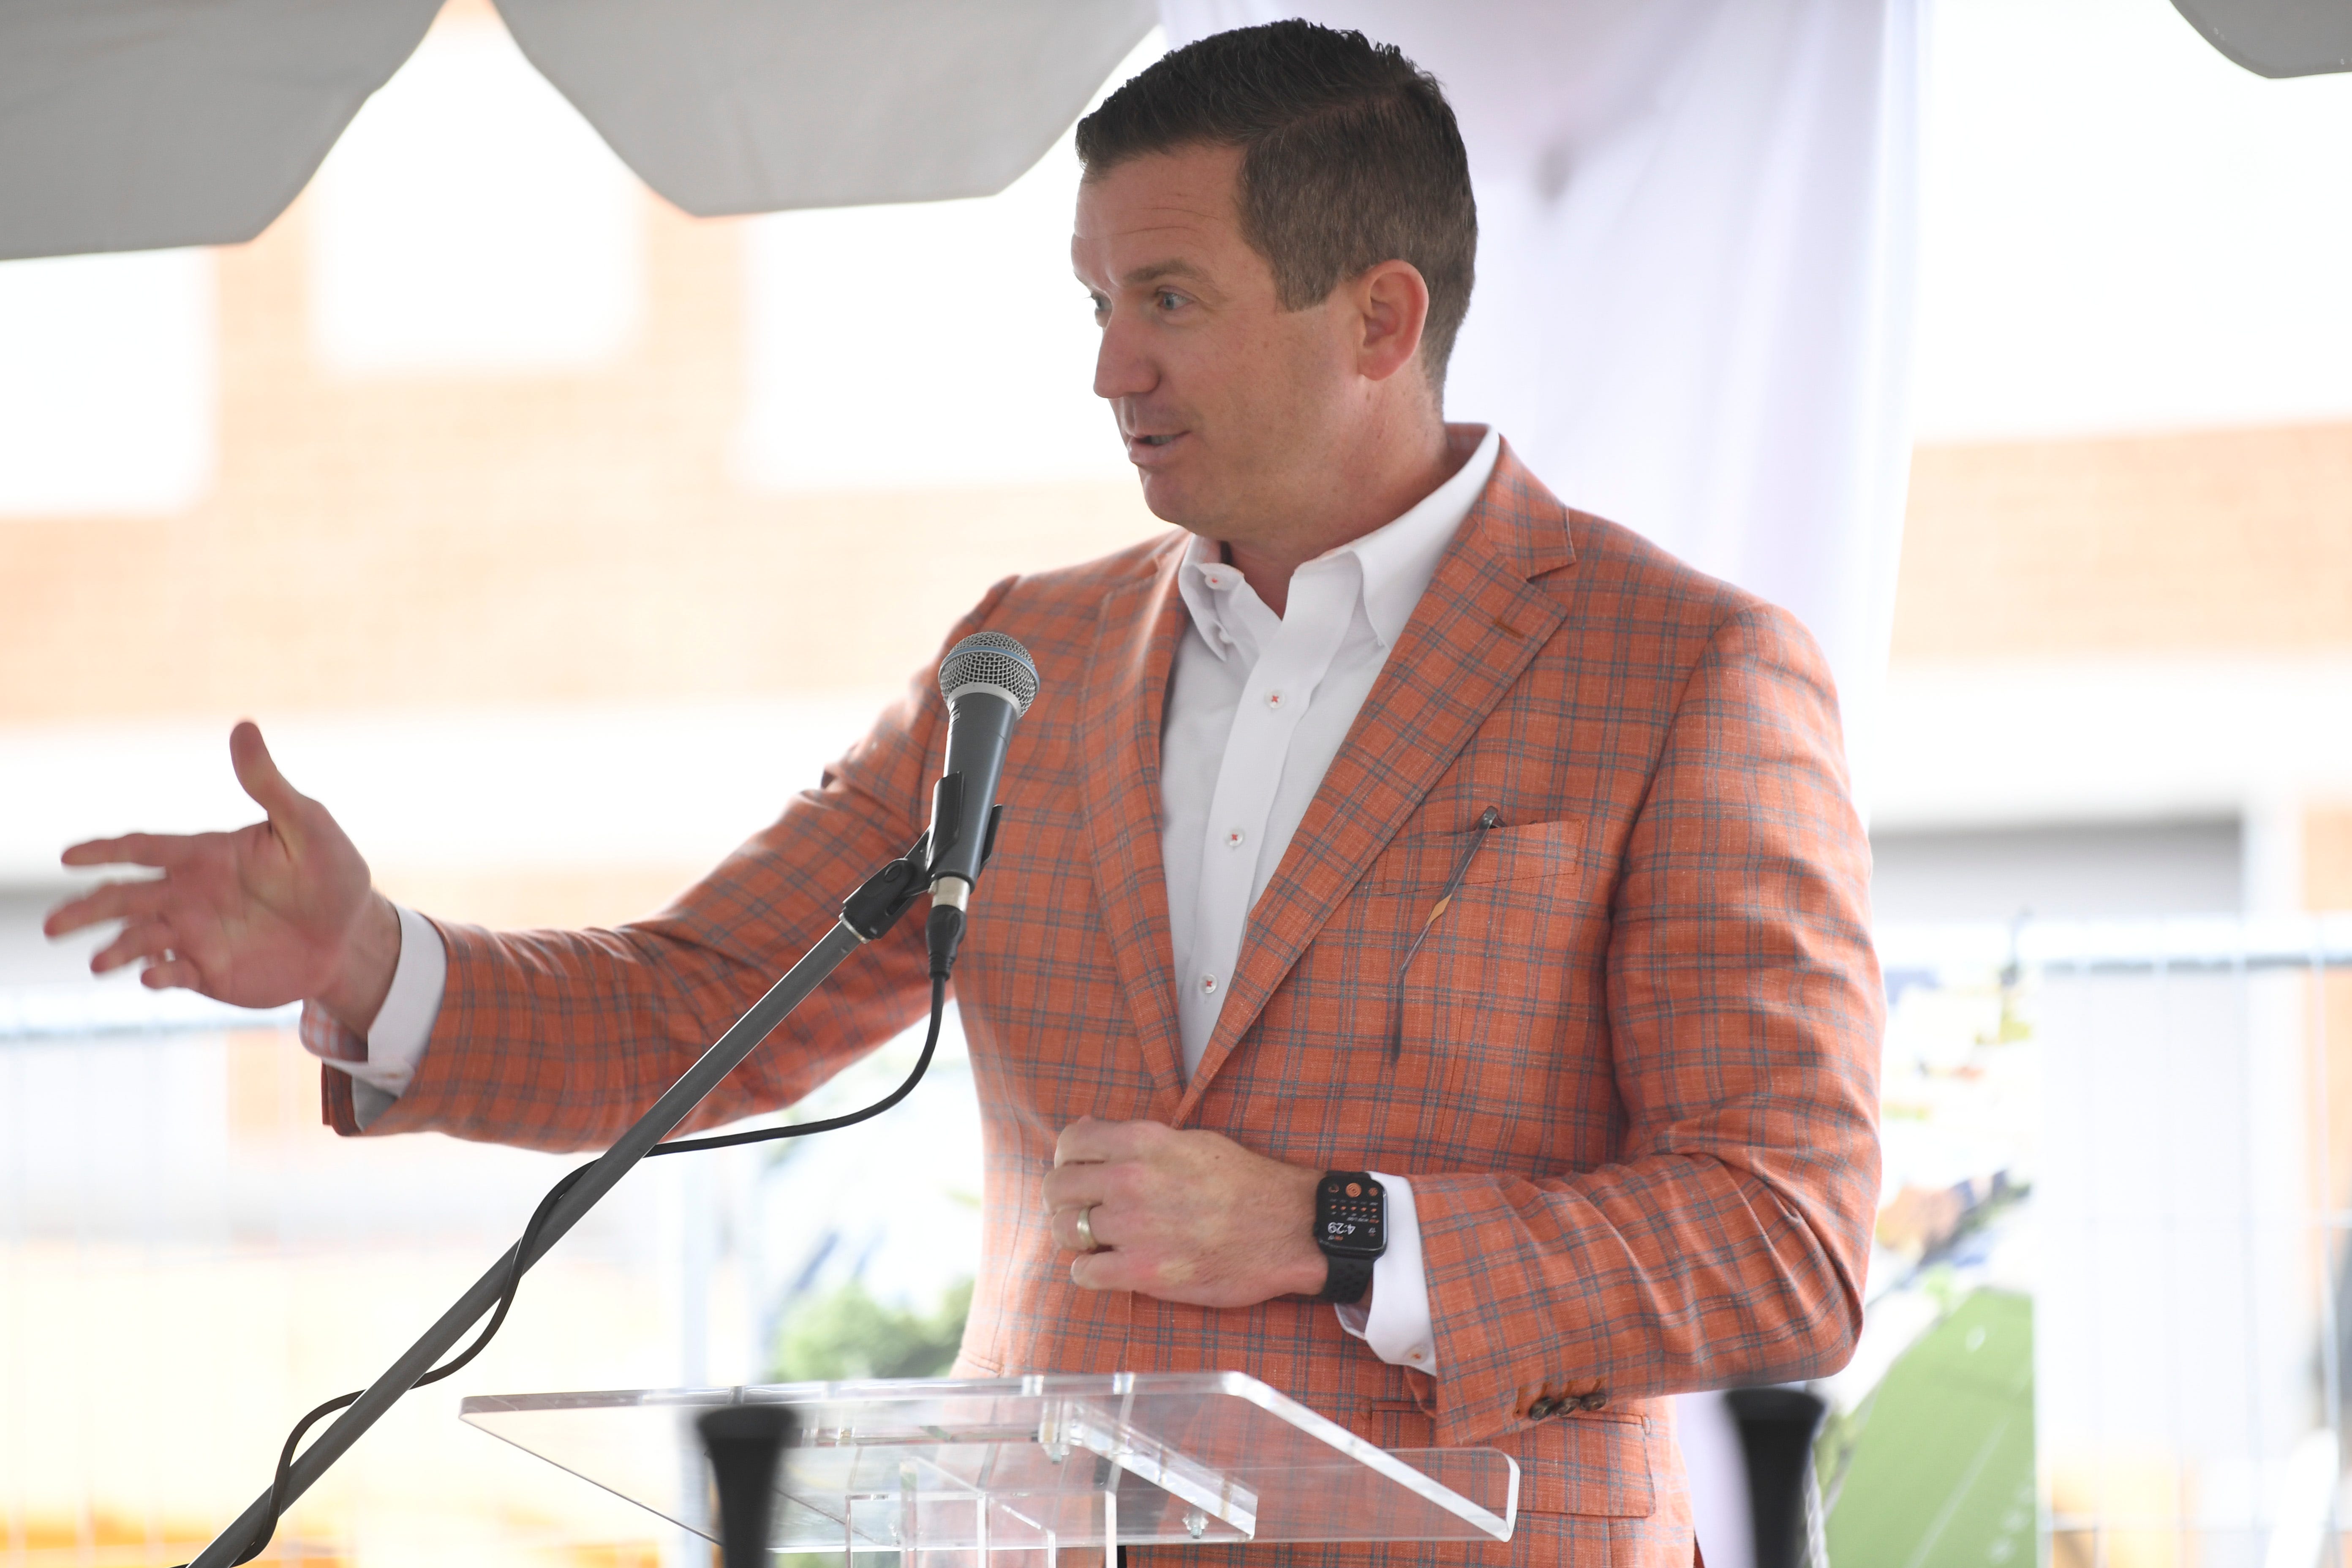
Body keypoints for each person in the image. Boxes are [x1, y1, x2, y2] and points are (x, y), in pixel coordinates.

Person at [45, 22, 1880, 1566]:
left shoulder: (1684, 673)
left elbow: (1783, 1239)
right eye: (1095, 300)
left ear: (1381, 316)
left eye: (1169, 299)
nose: (1110, 368)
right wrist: (373, 960)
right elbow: (705, 1003)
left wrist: (1331, 1227)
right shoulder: (1027, 664)